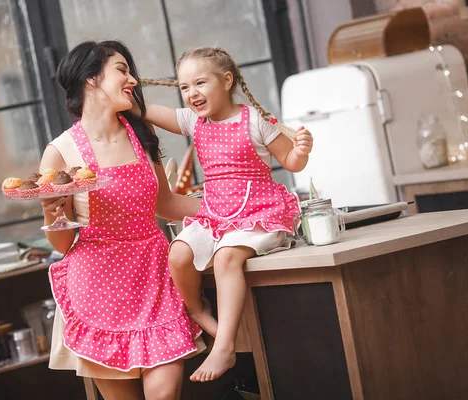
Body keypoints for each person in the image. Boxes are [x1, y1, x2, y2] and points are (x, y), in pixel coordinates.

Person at [40, 40, 203, 400]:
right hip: (98, 288)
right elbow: (63, 243)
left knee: (164, 394)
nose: (132, 79)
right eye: (121, 69)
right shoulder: (60, 153)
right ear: (91, 80)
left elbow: (166, 203)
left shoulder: (142, 134)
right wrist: (55, 211)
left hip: (153, 275)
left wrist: (223, 206)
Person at [141, 47, 313, 382]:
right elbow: (147, 111)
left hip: (259, 213)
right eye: (185, 87)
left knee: (225, 257)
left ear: (227, 80)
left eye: (200, 83)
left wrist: (302, 151)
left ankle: (225, 346)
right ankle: (198, 309)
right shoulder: (194, 121)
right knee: (177, 253)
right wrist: (123, 98)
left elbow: (290, 162)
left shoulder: (255, 121)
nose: (192, 94)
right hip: (217, 215)